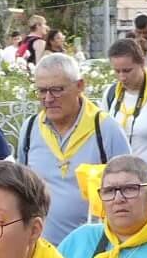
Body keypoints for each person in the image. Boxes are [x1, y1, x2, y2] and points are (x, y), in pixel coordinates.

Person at [12, 53, 125, 242]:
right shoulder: (30, 128)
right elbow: (22, 188)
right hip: (44, 247)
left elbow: (130, 187)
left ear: (80, 86)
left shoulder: (105, 128)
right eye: (41, 91)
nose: (48, 99)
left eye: (57, 90)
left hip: (96, 247)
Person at [101, 37, 147, 164]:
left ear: (142, 63)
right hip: (119, 177)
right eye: (117, 71)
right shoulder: (110, 93)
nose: (122, 77)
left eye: (127, 70)